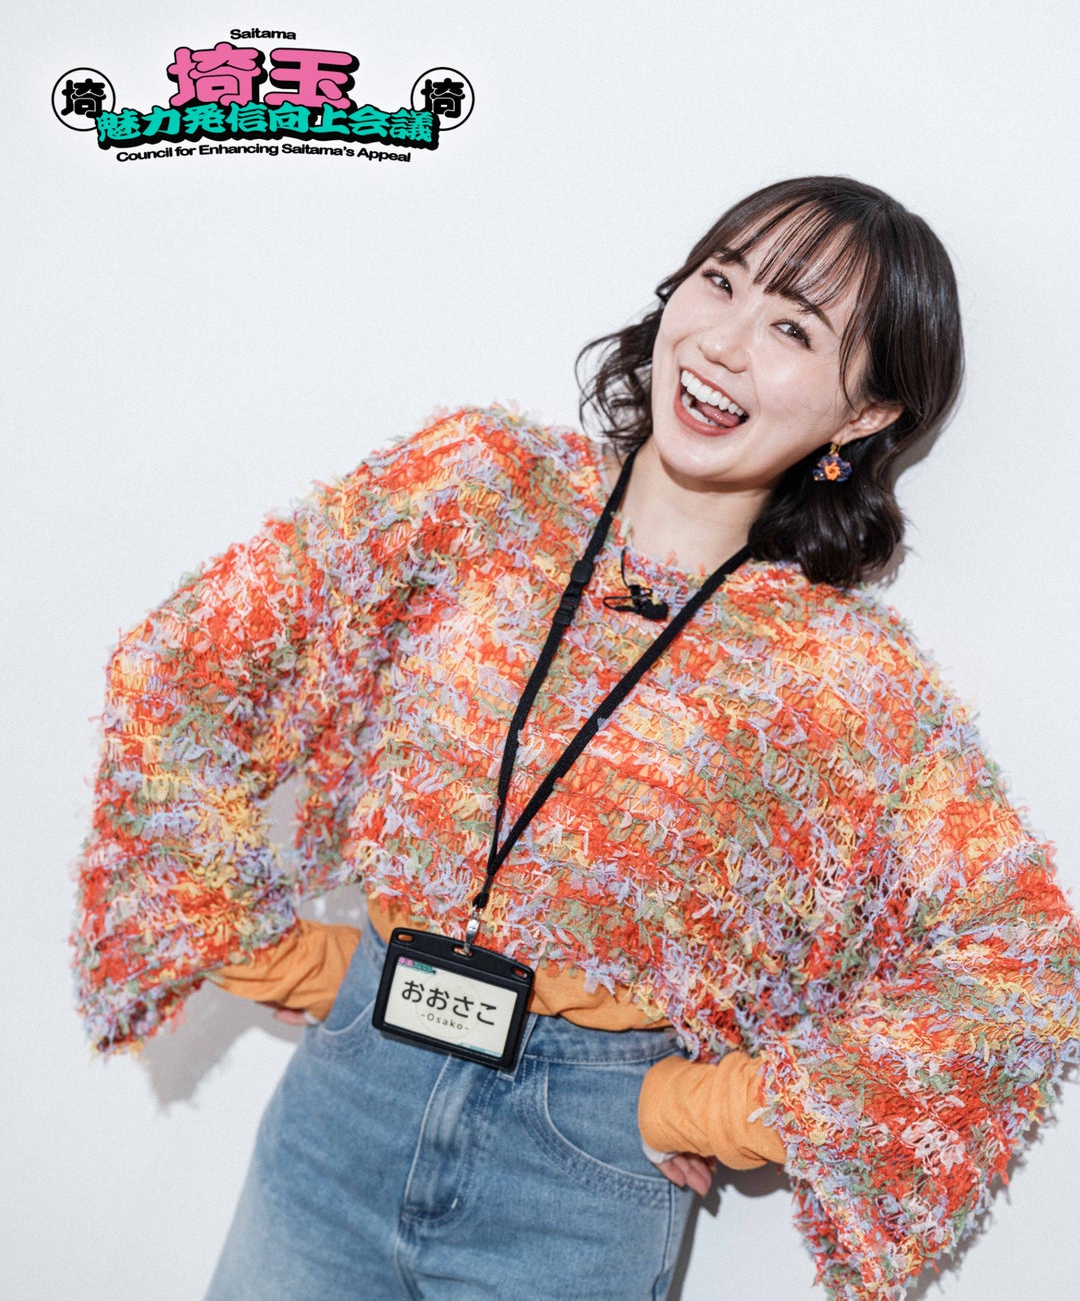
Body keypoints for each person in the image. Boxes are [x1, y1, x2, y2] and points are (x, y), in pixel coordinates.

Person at [73, 176, 1080, 1301]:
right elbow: (188, 667)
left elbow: (1017, 954)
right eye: (720, 282)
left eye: (794, 330)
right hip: (343, 1113)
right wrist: (287, 959)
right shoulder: (477, 487)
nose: (725, 344)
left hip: (580, 1179)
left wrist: (709, 1108)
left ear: (864, 415)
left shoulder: (842, 677)